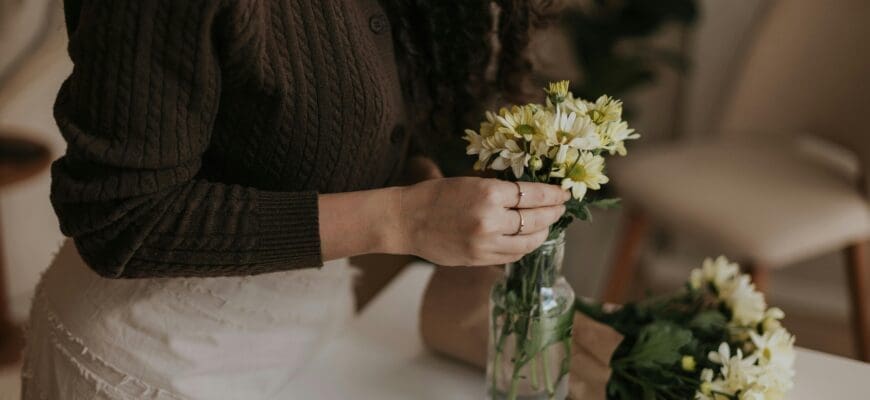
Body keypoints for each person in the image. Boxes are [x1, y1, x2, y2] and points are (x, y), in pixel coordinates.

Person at [21, 0, 564, 398]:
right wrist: (405, 217)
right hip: (149, 365)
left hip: (311, 331)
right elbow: (122, 218)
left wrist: (412, 179)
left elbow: (289, 114)